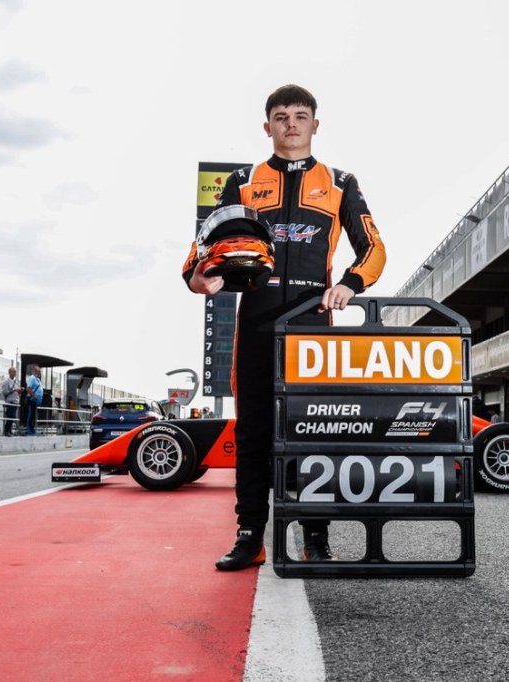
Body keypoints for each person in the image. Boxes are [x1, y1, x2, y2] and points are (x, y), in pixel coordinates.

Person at [183, 84, 386, 571]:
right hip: (254, 322)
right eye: (280, 116)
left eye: (300, 115)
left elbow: (374, 248)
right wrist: (197, 276)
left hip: (313, 327)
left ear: (316, 124)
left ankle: (316, 537)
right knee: (253, 434)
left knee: (312, 431)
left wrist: (352, 284)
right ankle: (249, 536)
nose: (291, 123)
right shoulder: (241, 181)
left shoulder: (340, 182)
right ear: (267, 126)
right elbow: (205, 244)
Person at [0, 367, 21, 436]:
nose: (15, 373)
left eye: (15, 372)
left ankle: (9, 430)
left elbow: (17, 391)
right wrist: (13, 390)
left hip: (15, 401)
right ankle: (6, 431)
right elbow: (4, 392)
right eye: (13, 372)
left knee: (12, 417)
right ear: (9, 372)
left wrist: (19, 390)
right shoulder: (6, 382)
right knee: (11, 416)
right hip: (10, 402)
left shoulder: (16, 381)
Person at [24, 364, 44, 436]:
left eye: (40, 371)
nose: (39, 373)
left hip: (36, 401)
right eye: (38, 371)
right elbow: (28, 388)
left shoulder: (38, 379)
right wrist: (34, 395)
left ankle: (32, 430)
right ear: (34, 371)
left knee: (33, 416)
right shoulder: (32, 378)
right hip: (32, 400)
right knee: (31, 415)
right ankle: (29, 430)